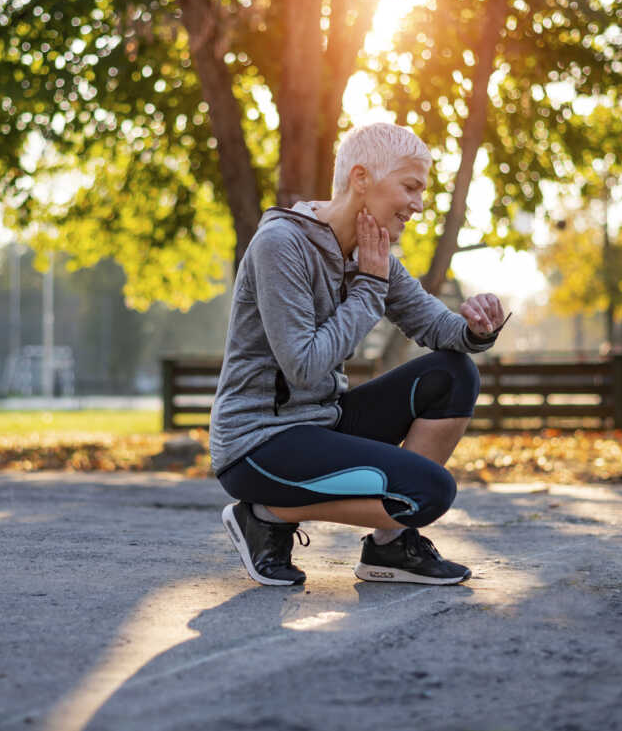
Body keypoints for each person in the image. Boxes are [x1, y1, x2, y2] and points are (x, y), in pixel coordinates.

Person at [209, 123, 509, 587]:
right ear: (362, 179)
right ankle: (264, 515)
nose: (419, 204)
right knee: (429, 494)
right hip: (258, 443)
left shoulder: (372, 255)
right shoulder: (281, 244)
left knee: (454, 374)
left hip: (320, 424)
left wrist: (475, 327)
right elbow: (304, 368)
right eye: (410, 187)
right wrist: (370, 287)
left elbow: (434, 325)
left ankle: (389, 549)